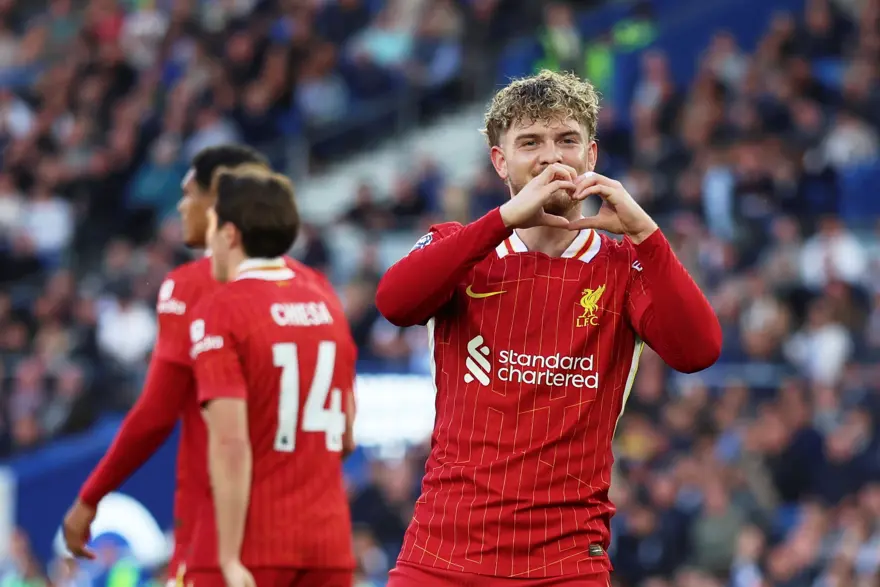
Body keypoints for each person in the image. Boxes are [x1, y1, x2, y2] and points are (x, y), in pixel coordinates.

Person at [375, 70, 723, 586]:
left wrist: (647, 234)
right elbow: (393, 302)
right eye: (530, 143)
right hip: (442, 555)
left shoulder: (626, 267)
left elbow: (699, 350)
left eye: (567, 140)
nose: (551, 158)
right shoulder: (460, 247)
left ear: (591, 156)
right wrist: (502, 220)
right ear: (500, 161)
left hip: (564, 564)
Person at [60, 146, 350, 585]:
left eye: (189, 193)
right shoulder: (320, 290)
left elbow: (158, 417)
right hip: (325, 535)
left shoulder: (199, 292)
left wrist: (90, 496)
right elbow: (344, 435)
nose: (182, 206)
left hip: (226, 534)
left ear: (221, 204)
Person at [185, 168, 356, 587]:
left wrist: (228, 556)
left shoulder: (221, 309)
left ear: (230, 234)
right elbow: (346, 436)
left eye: (212, 227)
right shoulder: (324, 297)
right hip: (329, 544)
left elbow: (230, 444)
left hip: (253, 545)